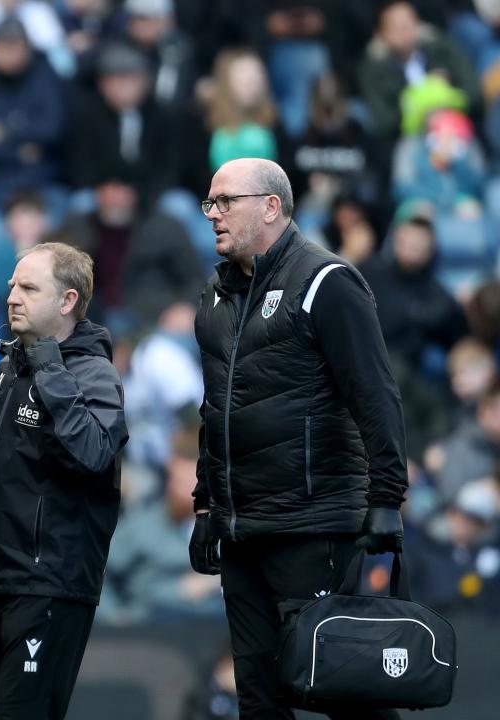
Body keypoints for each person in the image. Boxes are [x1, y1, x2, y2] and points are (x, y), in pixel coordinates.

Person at [189, 158, 408, 719]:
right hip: (243, 529)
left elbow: (375, 394)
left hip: (314, 524)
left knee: (342, 686)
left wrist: (387, 497)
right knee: (257, 698)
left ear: (271, 206)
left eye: (224, 201)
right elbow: (215, 408)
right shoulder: (214, 298)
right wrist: (206, 504)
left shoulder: (326, 281)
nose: (212, 213)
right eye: (209, 202)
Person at [0, 242, 129, 719]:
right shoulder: (7, 370)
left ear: (67, 302)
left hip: (46, 588)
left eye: (29, 288)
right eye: (12, 286)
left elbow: (92, 455)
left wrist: (51, 367)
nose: (12, 297)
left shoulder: (95, 375)